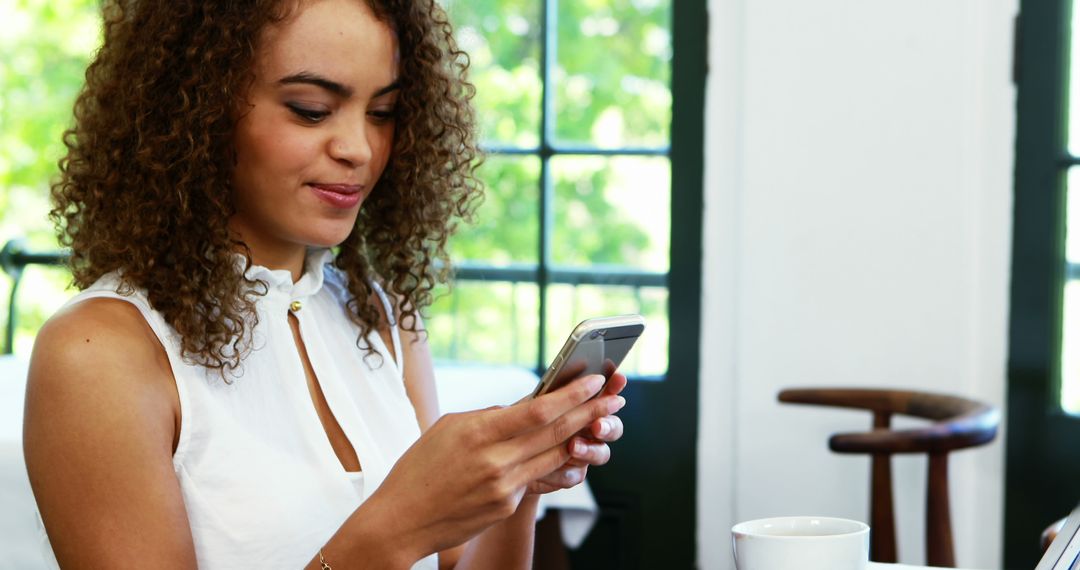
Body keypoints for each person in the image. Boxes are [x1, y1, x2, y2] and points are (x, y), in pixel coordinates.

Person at [21, 0, 628, 568]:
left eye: (383, 113)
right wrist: (396, 528)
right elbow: (399, 538)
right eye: (311, 109)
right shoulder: (99, 354)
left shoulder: (383, 315)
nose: (359, 148)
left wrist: (518, 479)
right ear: (196, 108)